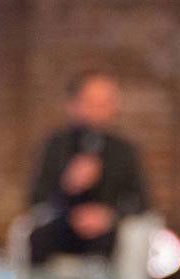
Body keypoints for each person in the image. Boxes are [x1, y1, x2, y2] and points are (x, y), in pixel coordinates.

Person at [28, 72, 148, 264]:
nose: (98, 110)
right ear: (73, 105)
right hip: (62, 225)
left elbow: (141, 201)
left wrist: (108, 216)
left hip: (107, 231)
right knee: (39, 239)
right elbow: (37, 198)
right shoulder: (56, 146)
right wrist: (67, 185)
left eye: (106, 103)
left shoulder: (123, 150)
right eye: (91, 102)